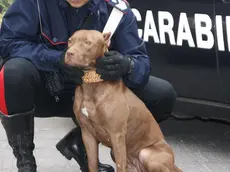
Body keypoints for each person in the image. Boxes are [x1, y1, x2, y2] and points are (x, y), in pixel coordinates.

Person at [0, 0, 177, 171]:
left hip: (100, 91)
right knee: (14, 73)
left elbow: (142, 63)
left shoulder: (115, 10)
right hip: (51, 87)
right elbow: (8, 44)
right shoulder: (34, 2)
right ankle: (26, 164)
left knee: (161, 95)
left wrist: (126, 64)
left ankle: (79, 142)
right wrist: (56, 60)